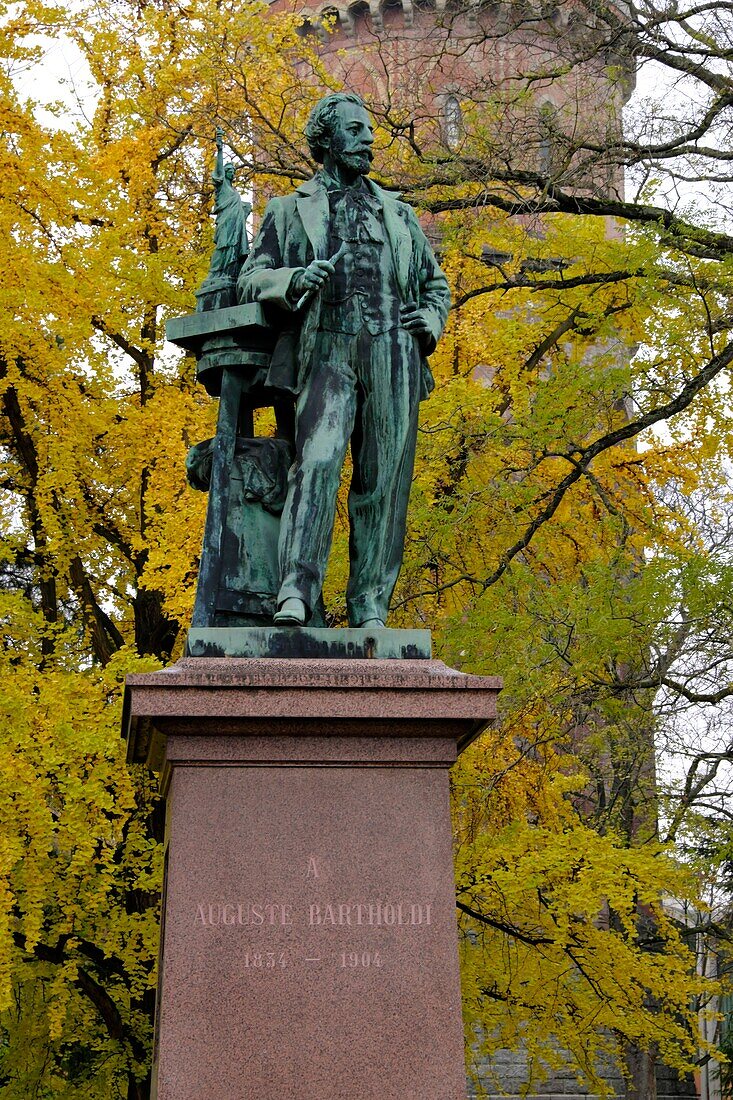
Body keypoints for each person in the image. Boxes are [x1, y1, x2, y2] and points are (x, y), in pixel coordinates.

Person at [238, 92, 450, 628]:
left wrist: (432, 318)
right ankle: (297, 590)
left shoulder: (398, 213)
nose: (368, 141)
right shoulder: (289, 210)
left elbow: (434, 284)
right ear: (326, 140)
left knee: (384, 479)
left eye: (370, 132)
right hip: (327, 348)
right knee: (318, 461)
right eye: (355, 131)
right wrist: (292, 280)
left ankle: (370, 603)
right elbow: (251, 276)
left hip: (394, 350)